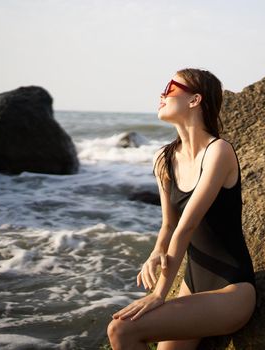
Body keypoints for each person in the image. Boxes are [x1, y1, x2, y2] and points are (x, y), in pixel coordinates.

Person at [107, 68, 257, 349]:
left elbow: (187, 226)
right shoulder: (163, 158)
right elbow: (168, 225)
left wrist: (159, 294)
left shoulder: (218, 151)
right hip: (193, 285)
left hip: (232, 291)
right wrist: (155, 253)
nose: (162, 94)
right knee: (124, 332)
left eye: (171, 87)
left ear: (194, 100)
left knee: (121, 330)